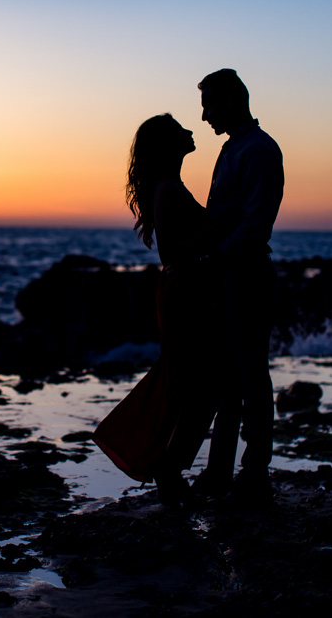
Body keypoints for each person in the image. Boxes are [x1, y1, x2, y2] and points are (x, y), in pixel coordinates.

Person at [92, 113, 228, 507]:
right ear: (168, 145)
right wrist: (222, 229)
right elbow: (174, 250)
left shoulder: (171, 186)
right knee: (198, 385)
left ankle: (168, 468)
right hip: (184, 294)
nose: (190, 131)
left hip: (184, 291)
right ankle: (168, 469)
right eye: (180, 130)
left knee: (192, 383)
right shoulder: (168, 189)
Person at [193, 69, 284, 501]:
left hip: (246, 276)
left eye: (210, 105)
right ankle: (219, 470)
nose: (206, 116)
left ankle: (254, 470)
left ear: (232, 100)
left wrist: (218, 254)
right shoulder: (234, 149)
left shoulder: (259, 150)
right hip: (228, 273)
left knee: (250, 375)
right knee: (229, 376)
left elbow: (256, 223)